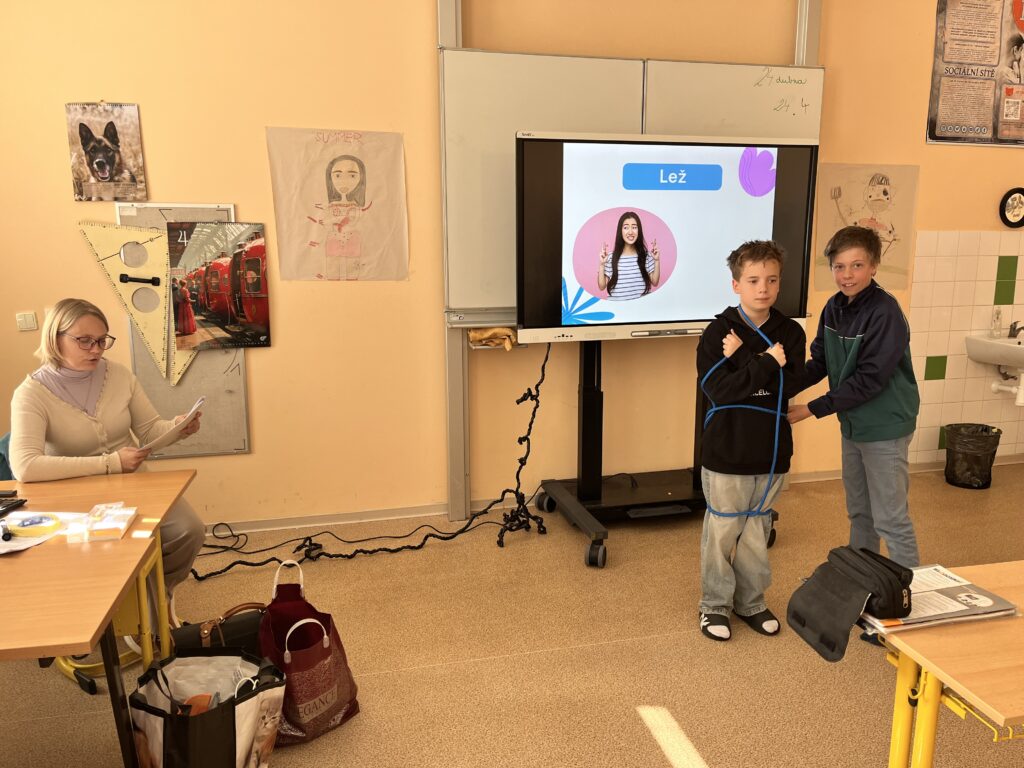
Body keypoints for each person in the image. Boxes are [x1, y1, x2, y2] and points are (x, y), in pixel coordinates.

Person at [9, 298, 206, 594]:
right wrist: (111, 463)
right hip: (74, 497)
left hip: (132, 485)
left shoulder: (119, 375)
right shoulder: (30, 394)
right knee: (109, 556)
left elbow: (149, 430)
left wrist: (178, 428)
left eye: (102, 341)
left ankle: (157, 596)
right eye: (85, 341)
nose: (97, 350)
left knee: (188, 531)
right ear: (54, 338)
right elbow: (25, 467)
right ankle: (136, 604)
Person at [789, 226, 921, 568]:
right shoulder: (834, 307)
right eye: (839, 266)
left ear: (874, 266)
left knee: (890, 519)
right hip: (854, 423)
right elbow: (820, 361)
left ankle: (913, 589)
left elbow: (869, 379)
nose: (846, 275)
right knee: (860, 513)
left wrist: (811, 409)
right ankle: (866, 578)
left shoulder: (885, 312)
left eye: (856, 265)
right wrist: (780, 389)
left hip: (885, 426)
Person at [696, 241, 806, 641]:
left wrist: (744, 359)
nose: (763, 288)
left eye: (772, 280)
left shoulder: (790, 332)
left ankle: (751, 602)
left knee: (757, 529)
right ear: (736, 285)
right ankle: (714, 606)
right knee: (723, 531)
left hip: (771, 451)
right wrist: (766, 362)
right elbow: (720, 391)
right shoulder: (718, 333)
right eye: (754, 280)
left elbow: (786, 387)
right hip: (727, 450)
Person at [596, 211, 660, 300]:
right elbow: (601, 286)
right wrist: (602, 264)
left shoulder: (646, 256)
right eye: (626, 227)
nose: (630, 232)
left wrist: (656, 260)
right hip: (618, 308)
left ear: (639, 230)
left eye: (634, 227)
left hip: (642, 307)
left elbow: (655, 282)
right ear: (620, 231)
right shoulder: (610, 258)